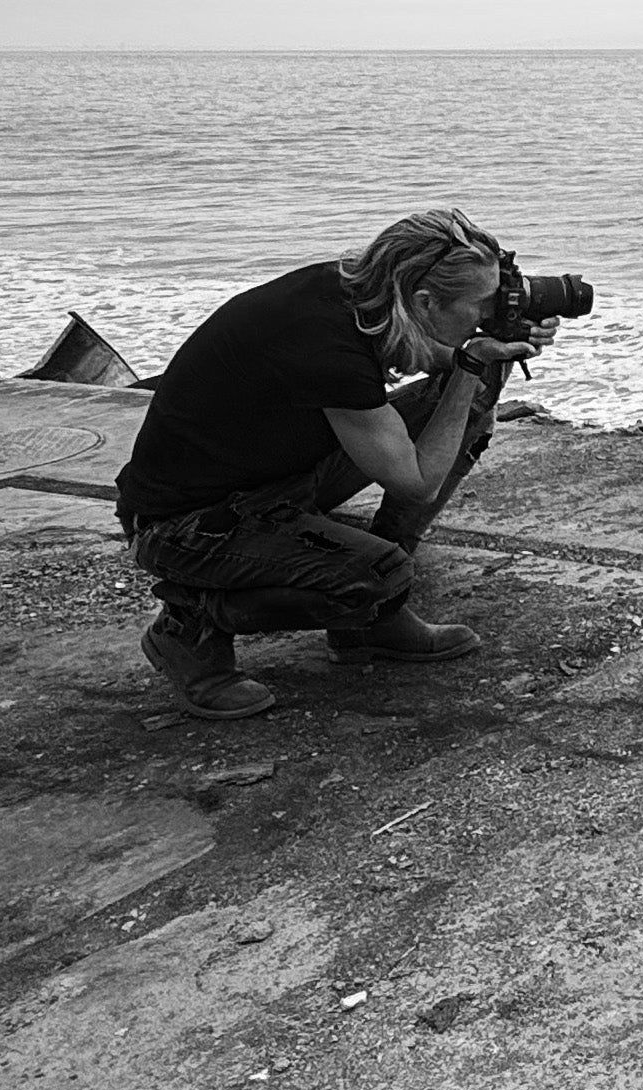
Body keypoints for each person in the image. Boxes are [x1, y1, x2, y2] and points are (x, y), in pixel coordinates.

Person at [113, 209, 557, 719]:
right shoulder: (324, 340)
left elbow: (413, 358)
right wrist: (471, 363)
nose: (488, 313)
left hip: (275, 478)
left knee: (466, 395)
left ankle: (375, 620)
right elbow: (416, 482)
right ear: (425, 300)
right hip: (187, 524)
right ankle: (190, 624)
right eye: (482, 303)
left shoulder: (360, 294)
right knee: (374, 572)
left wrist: (482, 356)